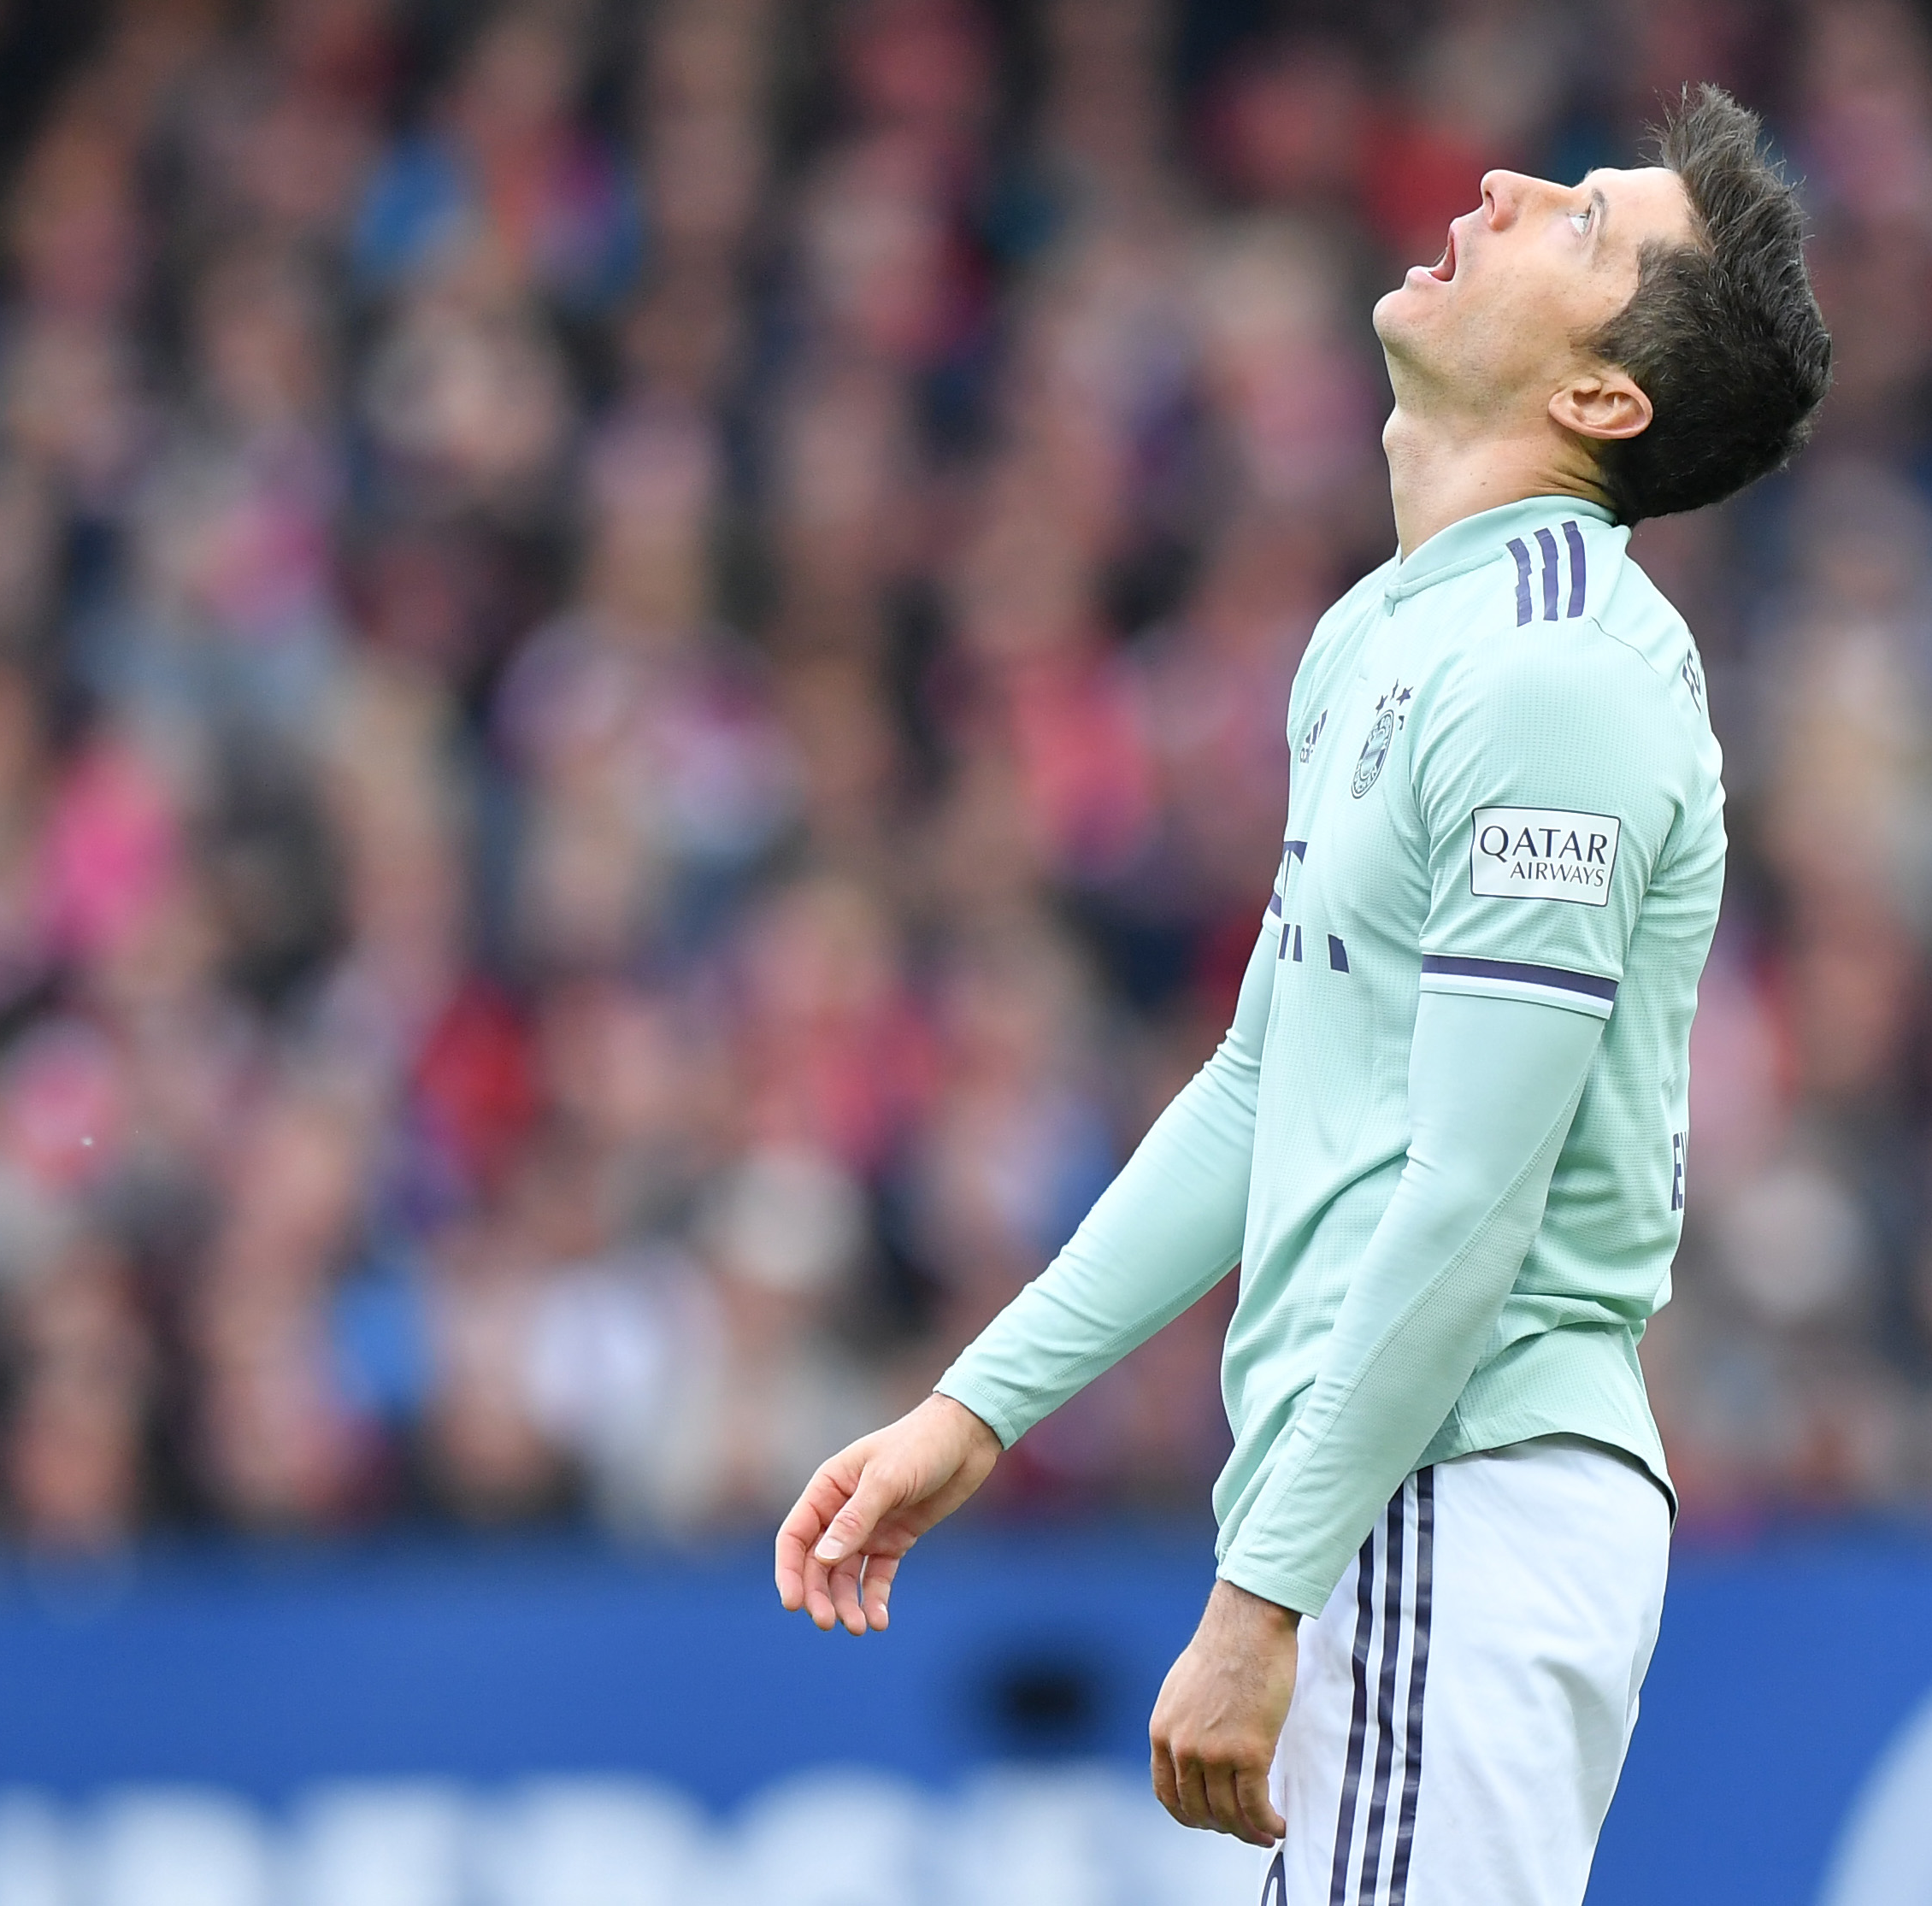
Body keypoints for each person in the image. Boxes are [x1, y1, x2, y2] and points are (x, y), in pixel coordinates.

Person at [775, 85, 1832, 1904]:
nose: (1503, 185)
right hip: (1387, 1503)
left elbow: (1474, 1190)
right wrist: (976, 1409)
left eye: (1581, 221)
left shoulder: (1555, 676)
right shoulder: (1387, 632)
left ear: (1602, 399)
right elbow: (1265, 1083)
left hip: (1458, 1489)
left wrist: (1261, 1590)